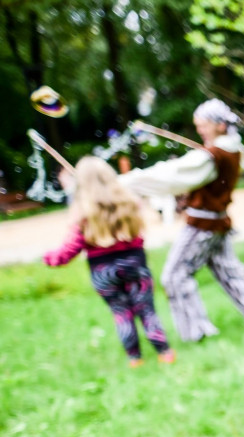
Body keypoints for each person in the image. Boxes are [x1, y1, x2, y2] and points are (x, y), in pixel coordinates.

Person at [120, 98, 244, 342]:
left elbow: (172, 176)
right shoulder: (234, 150)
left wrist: (124, 182)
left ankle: (197, 331)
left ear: (220, 125)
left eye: (204, 126)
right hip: (219, 223)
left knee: (174, 276)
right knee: (229, 271)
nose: (200, 131)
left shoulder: (211, 156)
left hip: (203, 225)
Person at [43, 156, 175, 368]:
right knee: (146, 309)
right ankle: (165, 353)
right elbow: (139, 236)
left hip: (102, 271)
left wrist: (51, 258)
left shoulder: (82, 211)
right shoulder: (129, 202)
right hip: (134, 264)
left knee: (121, 313)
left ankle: (135, 359)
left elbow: (71, 247)